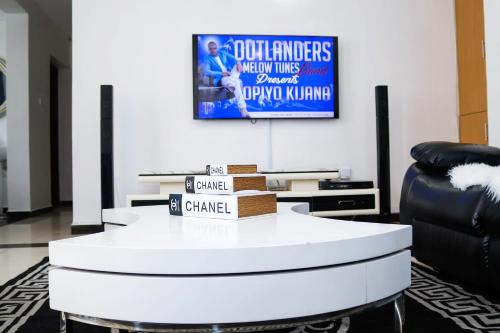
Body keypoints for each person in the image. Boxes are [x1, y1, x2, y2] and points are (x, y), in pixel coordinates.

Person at [203, 41, 250, 118]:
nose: (213, 50)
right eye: (211, 49)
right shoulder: (207, 59)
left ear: (217, 47)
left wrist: (238, 63)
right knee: (237, 82)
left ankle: (230, 84)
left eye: (214, 48)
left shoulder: (222, 53)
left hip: (230, 76)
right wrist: (221, 73)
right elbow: (206, 71)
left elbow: (234, 58)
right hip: (221, 79)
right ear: (209, 49)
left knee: (236, 70)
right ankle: (243, 109)